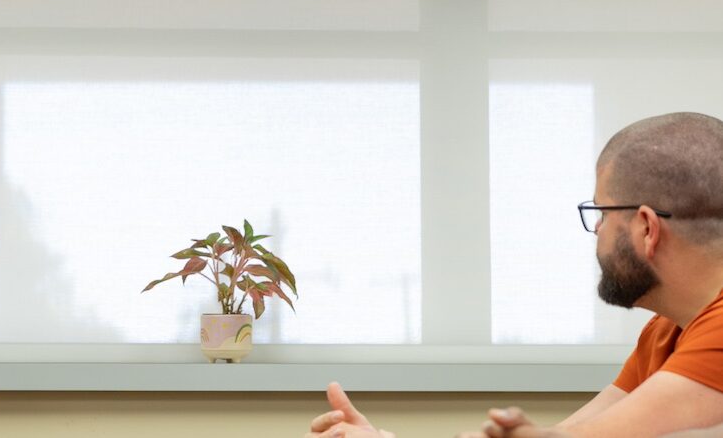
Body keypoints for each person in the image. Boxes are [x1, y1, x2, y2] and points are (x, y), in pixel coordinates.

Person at [306, 112, 723, 438]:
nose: (596, 229)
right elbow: (569, 433)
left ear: (647, 228)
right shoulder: (665, 332)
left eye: (601, 212)